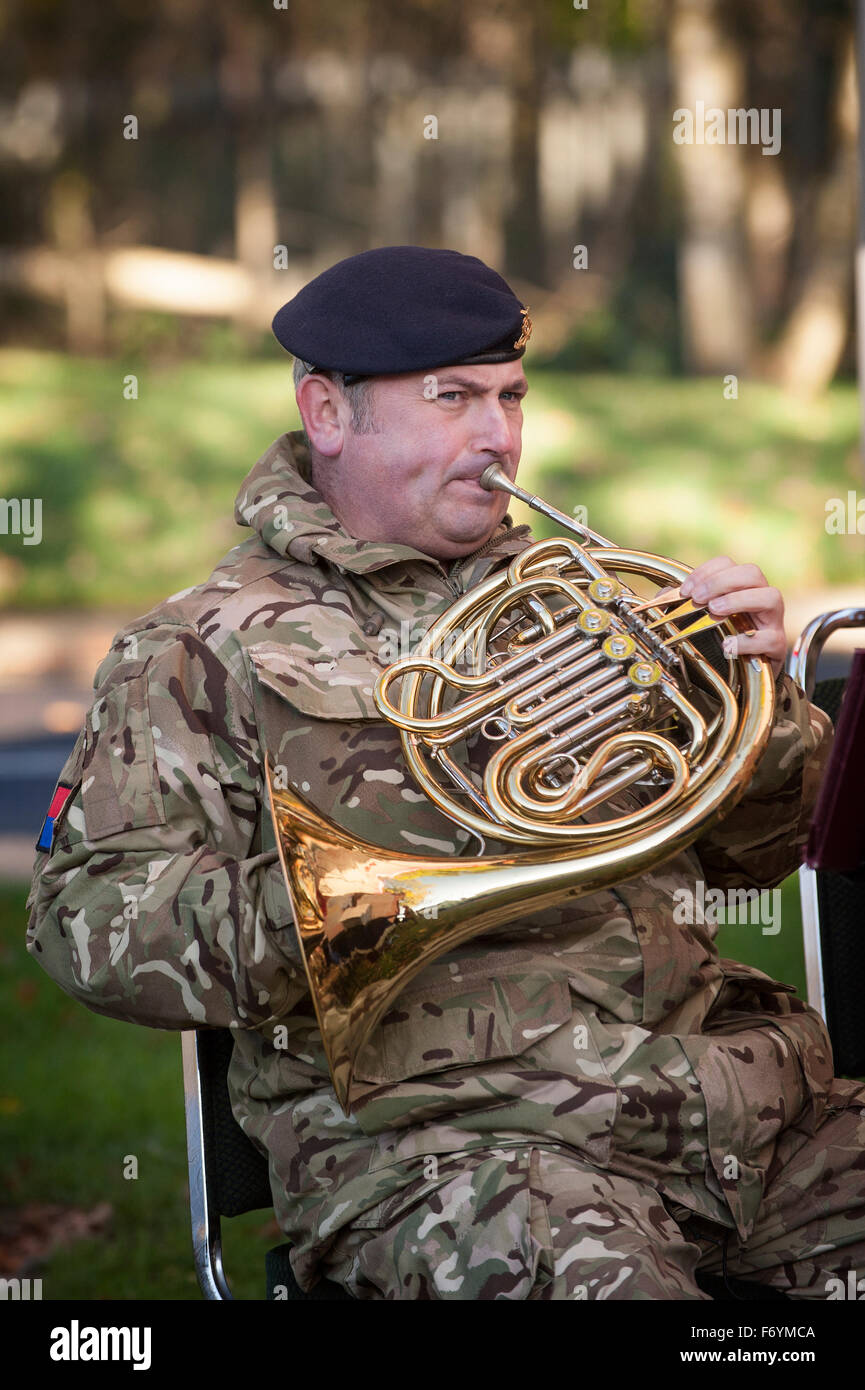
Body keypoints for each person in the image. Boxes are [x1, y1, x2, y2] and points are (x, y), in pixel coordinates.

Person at [26, 246, 865, 1301]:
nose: (497, 435)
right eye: (452, 398)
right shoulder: (198, 649)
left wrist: (765, 712)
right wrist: (343, 900)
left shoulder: (601, 600)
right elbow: (83, 921)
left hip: (735, 1100)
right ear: (328, 414)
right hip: (452, 1149)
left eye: (509, 395)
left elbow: (763, 852)